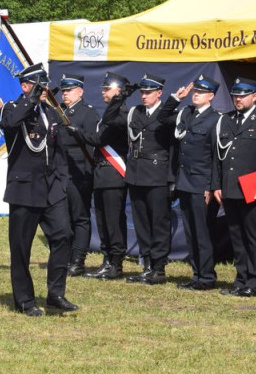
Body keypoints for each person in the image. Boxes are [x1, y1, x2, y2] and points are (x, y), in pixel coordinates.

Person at [0, 63, 76, 316]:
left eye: (45, 85)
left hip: (51, 187)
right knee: (21, 248)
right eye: (38, 85)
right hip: (24, 188)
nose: (44, 90)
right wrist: (30, 99)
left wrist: (62, 181)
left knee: (63, 235)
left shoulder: (51, 113)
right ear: (25, 86)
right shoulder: (13, 108)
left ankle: (55, 293)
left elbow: (59, 151)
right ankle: (25, 301)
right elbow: (10, 123)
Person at [212, 77, 256, 297]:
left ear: (254, 96)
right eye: (235, 96)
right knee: (236, 236)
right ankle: (241, 279)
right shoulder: (228, 119)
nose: (238, 99)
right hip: (230, 188)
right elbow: (219, 157)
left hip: (252, 187)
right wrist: (217, 185)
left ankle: (255, 281)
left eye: (242, 95)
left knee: (254, 236)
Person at [124, 74, 183, 285]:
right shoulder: (135, 112)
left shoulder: (167, 114)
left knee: (158, 222)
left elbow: (173, 149)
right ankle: (147, 264)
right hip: (137, 173)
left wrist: (171, 178)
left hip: (158, 175)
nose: (144, 96)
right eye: (142, 92)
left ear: (159, 93)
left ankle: (158, 268)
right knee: (141, 222)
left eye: (149, 92)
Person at [76, 73, 131, 280]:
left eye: (107, 88)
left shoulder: (121, 113)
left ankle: (116, 264)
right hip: (101, 174)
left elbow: (100, 139)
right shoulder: (109, 113)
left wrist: (77, 132)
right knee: (102, 221)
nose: (102, 91)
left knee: (114, 221)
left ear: (118, 91)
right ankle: (107, 260)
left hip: (114, 174)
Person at [174, 74, 222, 290]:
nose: (196, 95)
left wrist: (210, 186)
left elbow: (215, 157)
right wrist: (177, 98)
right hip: (185, 181)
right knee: (191, 232)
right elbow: (165, 117)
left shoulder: (215, 119)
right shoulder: (187, 114)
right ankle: (196, 274)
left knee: (202, 232)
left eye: (201, 92)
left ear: (211, 96)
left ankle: (207, 277)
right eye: (195, 91)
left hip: (201, 184)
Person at [57, 74, 100, 277]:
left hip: (79, 171)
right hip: (59, 170)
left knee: (80, 217)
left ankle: (78, 260)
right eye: (64, 90)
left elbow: (93, 141)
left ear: (80, 91)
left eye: (69, 90)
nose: (65, 93)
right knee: (61, 217)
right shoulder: (58, 110)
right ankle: (63, 257)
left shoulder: (88, 113)